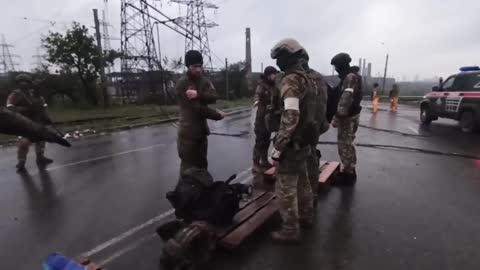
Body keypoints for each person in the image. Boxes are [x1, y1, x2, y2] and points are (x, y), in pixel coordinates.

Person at [269, 38, 315, 244]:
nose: (278, 62)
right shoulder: (308, 79)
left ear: (287, 57)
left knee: (285, 187)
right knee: (303, 181)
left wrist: (278, 147)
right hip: (305, 141)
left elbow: (291, 114)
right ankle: (307, 217)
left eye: (279, 58)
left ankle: (290, 230)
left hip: (292, 143)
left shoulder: (290, 81)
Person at [176, 50, 225, 175]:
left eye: (200, 66)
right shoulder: (183, 83)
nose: (198, 70)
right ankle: (185, 194)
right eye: (194, 66)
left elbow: (214, 96)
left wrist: (198, 94)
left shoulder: (203, 80)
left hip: (201, 134)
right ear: (188, 66)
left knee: (202, 166)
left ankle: (201, 192)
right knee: (188, 170)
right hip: (188, 135)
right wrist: (217, 115)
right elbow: (197, 109)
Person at [298, 49, 329, 203]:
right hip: (315, 127)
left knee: (301, 163)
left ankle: (304, 200)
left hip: (302, 128)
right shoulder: (319, 78)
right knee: (311, 159)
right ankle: (312, 195)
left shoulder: (300, 78)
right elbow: (325, 103)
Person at [7, 74, 53, 172]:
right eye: (21, 81)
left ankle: (40, 157)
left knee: (41, 140)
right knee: (24, 143)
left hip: (37, 120)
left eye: (26, 81)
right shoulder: (15, 94)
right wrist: (24, 109)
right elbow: (10, 107)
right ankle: (21, 162)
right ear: (18, 83)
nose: (24, 83)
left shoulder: (35, 93)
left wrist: (46, 116)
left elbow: (44, 106)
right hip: (23, 122)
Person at [330, 53, 363, 185]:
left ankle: (348, 174)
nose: (336, 69)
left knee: (344, 145)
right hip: (352, 114)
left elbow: (346, 98)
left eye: (336, 66)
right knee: (347, 143)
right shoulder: (352, 76)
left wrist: (337, 117)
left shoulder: (349, 77)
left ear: (341, 65)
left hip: (347, 116)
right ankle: (350, 170)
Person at [252, 66, 279, 172]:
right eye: (273, 74)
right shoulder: (261, 85)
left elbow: (277, 99)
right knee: (260, 141)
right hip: (261, 118)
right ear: (268, 75)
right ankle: (255, 163)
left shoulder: (274, 87)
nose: (274, 76)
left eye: (275, 74)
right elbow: (257, 95)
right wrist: (256, 101)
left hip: (270, 119)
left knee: (267, 141)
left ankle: (264, 160)